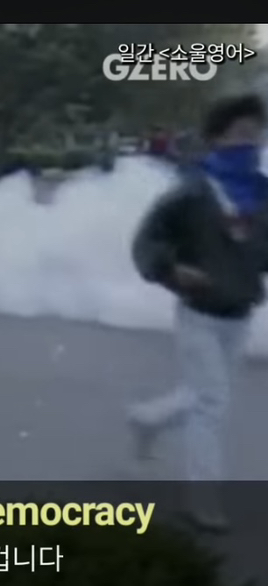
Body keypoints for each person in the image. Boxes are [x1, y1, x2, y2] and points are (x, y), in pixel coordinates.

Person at [127, 94, 268, 532]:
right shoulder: (191, 190)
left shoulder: (262, 194)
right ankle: (201, 499)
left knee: (203, 395)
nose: (251, 142)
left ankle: (146, 419)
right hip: (198, 314)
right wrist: (172, 269)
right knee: (211, 402)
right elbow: (147, 241)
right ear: (216, 138)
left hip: (240, 312)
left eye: (257, 134)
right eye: (241, 133)